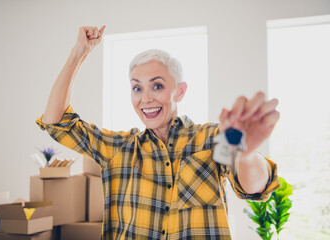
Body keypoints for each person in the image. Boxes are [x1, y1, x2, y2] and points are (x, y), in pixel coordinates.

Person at [36, 25, 280, 239]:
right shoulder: (118, 148)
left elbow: (255, 187)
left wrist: (246, 155)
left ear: (180, 91)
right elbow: (56, 122)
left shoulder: (213, 139)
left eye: (157, 85)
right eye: (136, 88)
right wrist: (80, 52)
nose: (146, 99)